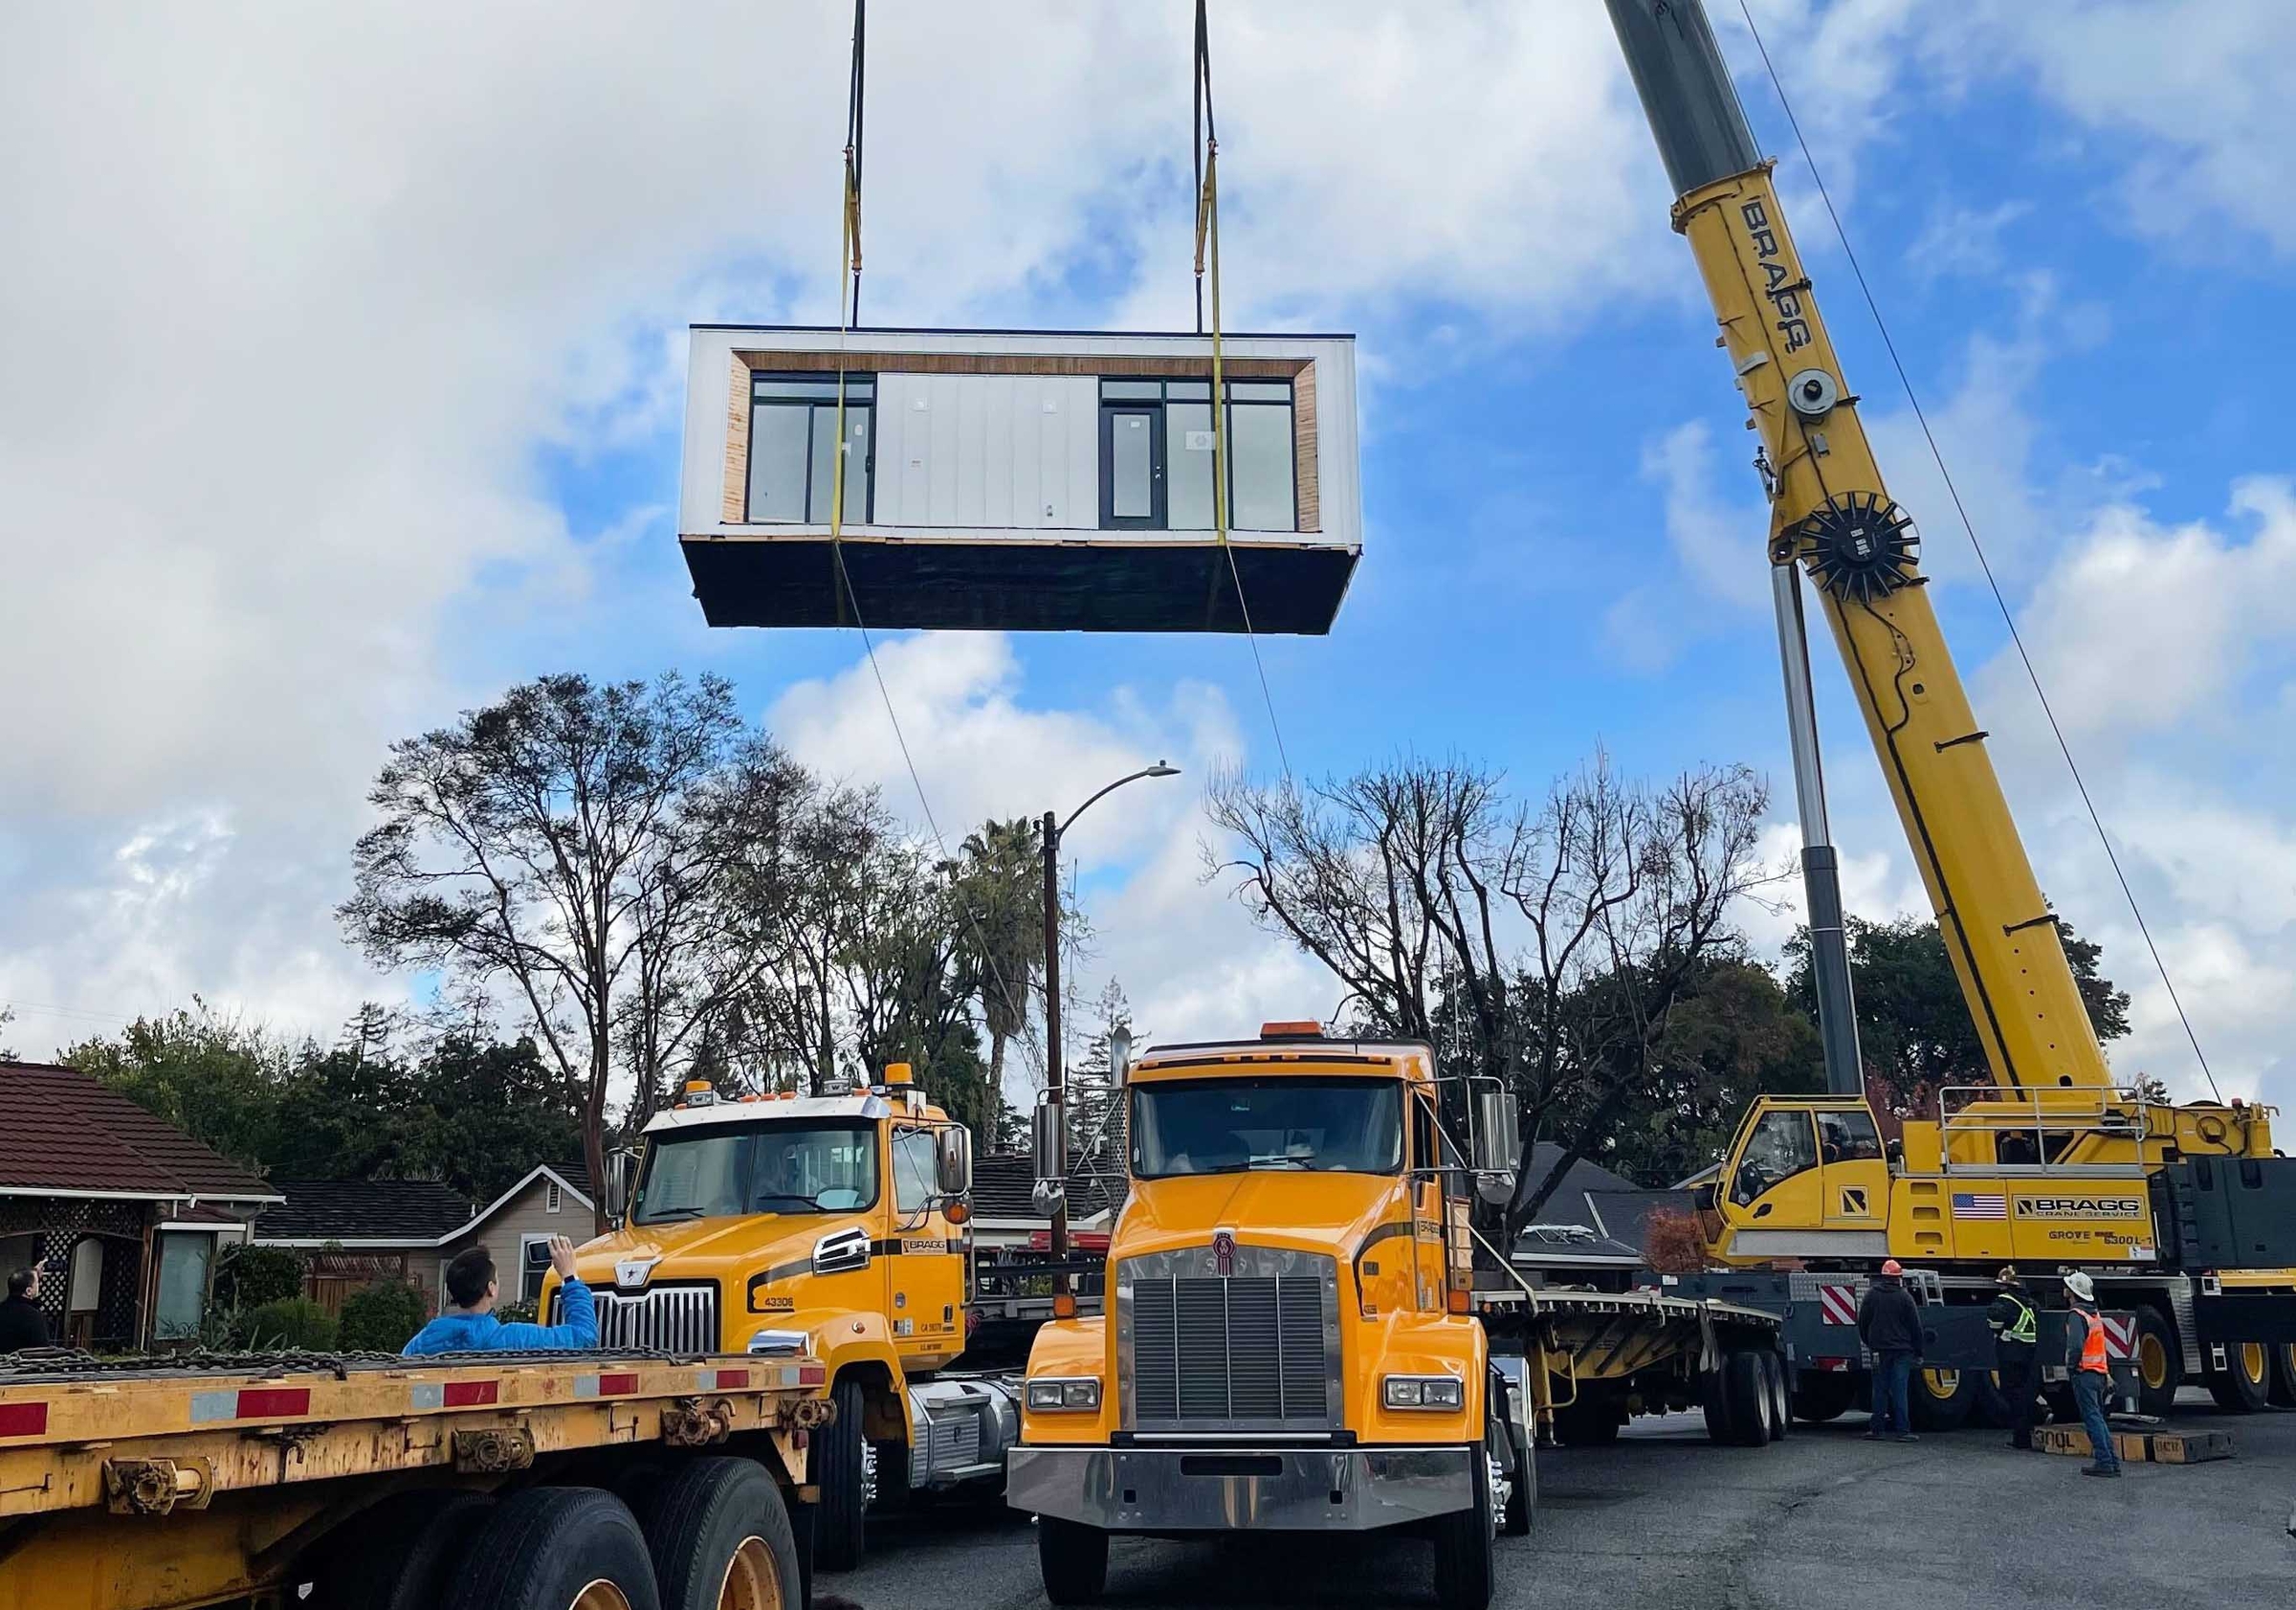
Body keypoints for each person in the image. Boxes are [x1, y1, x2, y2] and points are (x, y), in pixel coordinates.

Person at [403, 1237, 597, 1356]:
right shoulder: (512, 1339)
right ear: (491, 1289)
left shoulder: (424, 1340)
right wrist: (570, 1276)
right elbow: (584, 1337)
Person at [1857, 1258, 1923, 1443]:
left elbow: (1863, 1322)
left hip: (1879, 1350)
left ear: (1883, 1276)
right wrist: (1918, 1352)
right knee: (1899, 1390)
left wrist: (1869, 1342)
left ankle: (1876, 1429)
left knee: (1879, 1389)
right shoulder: (1905, 1297)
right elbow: (1915, 1327)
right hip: (1902, 1351)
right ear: (1899, 1277)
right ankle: (1903, 1431)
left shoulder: (1872, 1295)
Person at [2064, 1270, 2120, 1478]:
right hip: (2099, 1374)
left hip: (2084, 1373)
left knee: (2092, 1418)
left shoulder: (2076, 1316)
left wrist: (2071, 1367)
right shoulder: (2094, 1314)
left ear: (2072, 1292)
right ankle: (2111, 1460)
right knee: (2098, 1417)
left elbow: (2076, 1345)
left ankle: (2105, 1461)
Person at [1986, 1265, 2041, 1450]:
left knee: (2011, 1394)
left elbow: (1994, 1322)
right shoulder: (2029, 1302)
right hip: (2028, 1353)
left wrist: (2001, 1332)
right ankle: (2027, 1429)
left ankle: (2021, 1438)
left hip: (2010, 1353)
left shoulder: (2003, 1302)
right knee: (2024, 1393)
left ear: (2002, 1285)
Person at [0, 1263, 52, 1351]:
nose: (39, 1285)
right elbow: (43, 1351)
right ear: (29, 1291)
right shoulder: (34, 1317)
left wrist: (34, 1272)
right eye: (37, 1282)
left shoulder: (2, 1309)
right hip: (23, 1363)